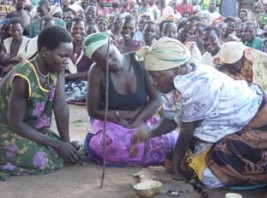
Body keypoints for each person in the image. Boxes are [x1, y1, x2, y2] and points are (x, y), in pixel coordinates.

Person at [132, 37, 267, 188]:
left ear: (178, 69)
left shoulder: (201, 83)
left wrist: (175, 169)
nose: (152, 81)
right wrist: (147, 134)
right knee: (179, 159)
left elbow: (187, 129)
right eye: (150, 75)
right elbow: (170, 118)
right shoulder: (179, 80)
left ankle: (262, 173)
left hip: (259, 125)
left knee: (208, 177)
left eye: (157, 76)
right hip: (233, 126)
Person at [82, 32, 177, 167]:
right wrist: (119, 118)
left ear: (115, 43)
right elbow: (93, 111)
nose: (108, 62)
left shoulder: (139, 61)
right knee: (109, 144)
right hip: (111, 119)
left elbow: (156, 100)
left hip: (144, 116)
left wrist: (137, 121)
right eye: (102, 61)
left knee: (167, 141)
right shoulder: (96, 72)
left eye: (110, 55)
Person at [0, 26, 80, 181]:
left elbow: (61, 106)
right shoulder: (23, 78)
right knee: (42, 162)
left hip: (32, 128)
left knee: (66, 152)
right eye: (62, 56)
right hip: (8, 129)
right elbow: (15, 124)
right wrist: (57, 145)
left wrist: (66, 143)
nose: (66, 61)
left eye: (68, 56)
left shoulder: (56, 68)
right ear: (44, 52)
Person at [65, 17, 93, 104]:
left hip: (86, 85)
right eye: (75, 28)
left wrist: (70, 76)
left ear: (85, 30)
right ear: (70, 30)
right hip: (67, 85)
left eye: (81, 28)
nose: (78, 31)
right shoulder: (65, 46)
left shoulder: (90, 47)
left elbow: (95, 71)